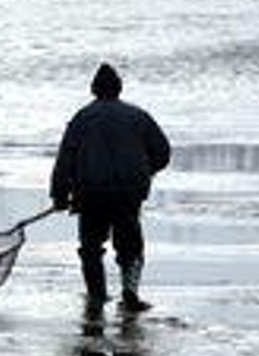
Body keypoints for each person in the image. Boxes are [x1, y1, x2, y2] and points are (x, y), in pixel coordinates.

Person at [50, 63, 170, 315]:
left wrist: (60, 195)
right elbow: (162, 152)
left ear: (94, 89)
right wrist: (143, 172)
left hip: (90, 194)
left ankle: (97, 296)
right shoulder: (139, 116)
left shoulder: (82, 118)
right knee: (131, 247)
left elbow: (65, 160)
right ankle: (130, 293)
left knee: (91, 248)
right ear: (119, 88)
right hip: (128, 193)